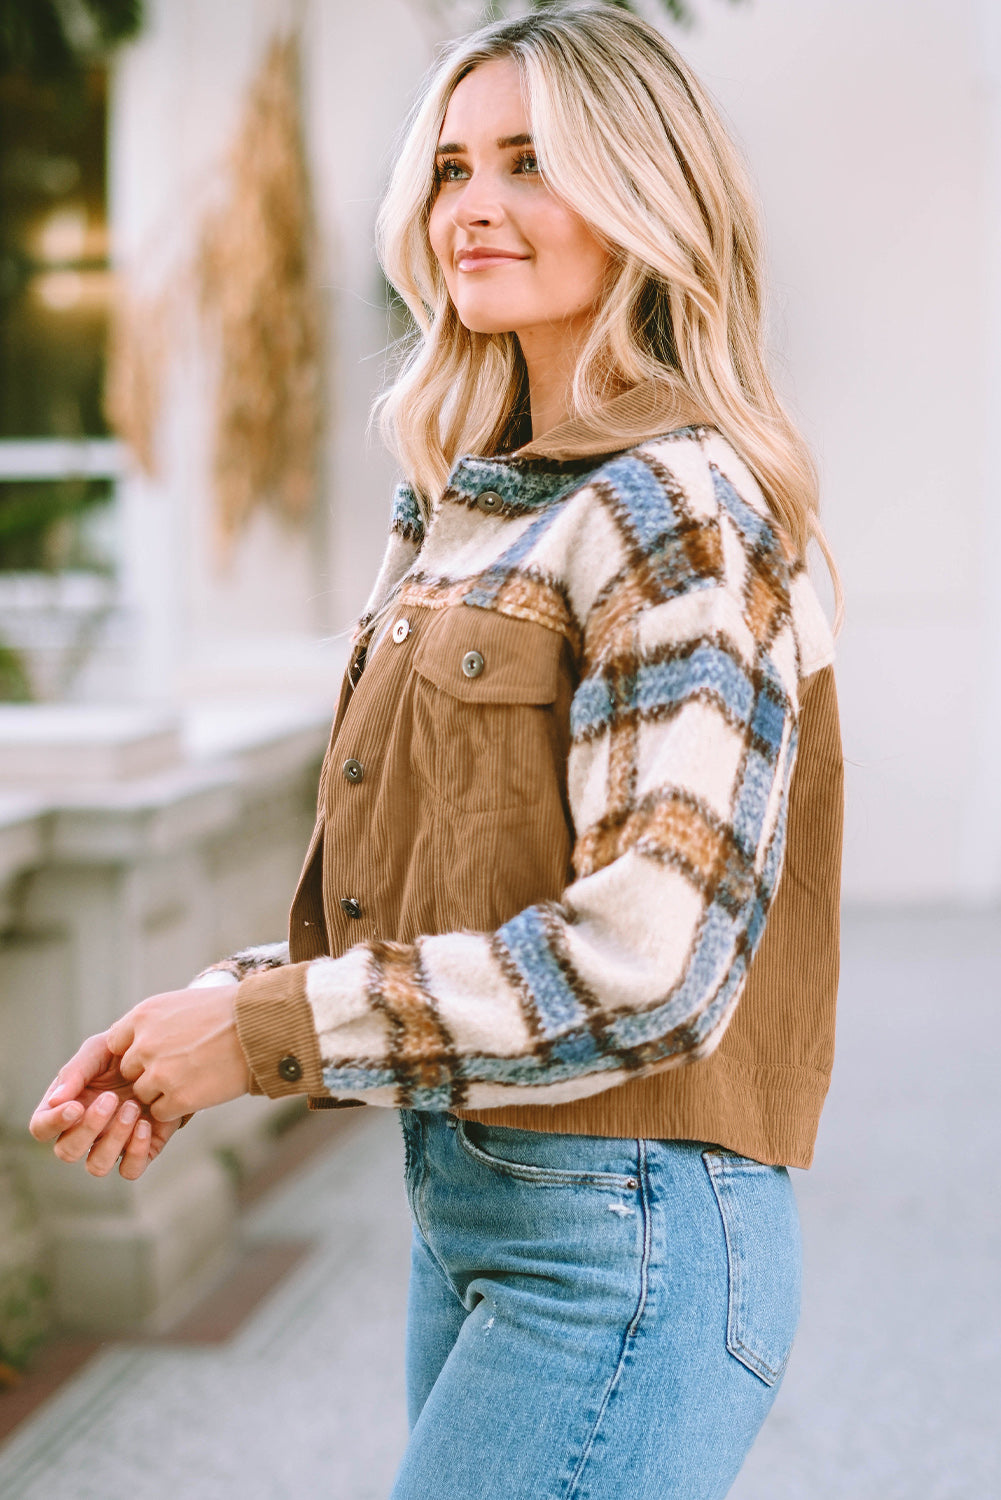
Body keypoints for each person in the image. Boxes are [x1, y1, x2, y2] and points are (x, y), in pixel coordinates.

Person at [30, 6, 845, 1495]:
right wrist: (208, 1012)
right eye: (455, 165)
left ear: (646, 190)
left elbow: (646, 964)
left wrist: (264, 1033)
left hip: (626, 1237)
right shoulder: (472, 509)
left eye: (533, 162)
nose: (474, 204)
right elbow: (430, 883)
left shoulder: (675, 510)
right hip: (476, 1203)